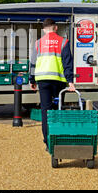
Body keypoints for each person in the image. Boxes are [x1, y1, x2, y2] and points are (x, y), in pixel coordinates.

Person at [29, 18, 75, 151]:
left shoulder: (38, 43)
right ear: (55, 28)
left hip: (43, 81)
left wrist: (32, 80)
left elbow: (33, 63)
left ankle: (48, 142)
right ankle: (57, 139)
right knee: (58, 109)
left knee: (46, 111)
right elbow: (68, 64)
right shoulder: (64, 42)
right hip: (58, 82)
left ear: (44, 30)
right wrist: (70, 82)